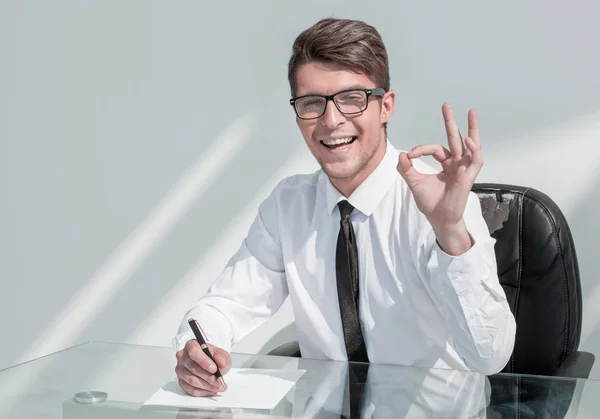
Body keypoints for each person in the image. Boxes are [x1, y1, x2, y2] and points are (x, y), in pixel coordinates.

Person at [173, 17, 516, 398]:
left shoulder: (438, 200)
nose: (331, 120)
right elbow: (225, 305)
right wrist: (197, 350)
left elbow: (489, 358)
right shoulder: (289, 205)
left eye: (352, 99)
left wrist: (450, 231)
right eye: (312, 103)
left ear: (385, 106)